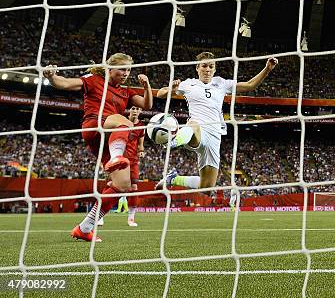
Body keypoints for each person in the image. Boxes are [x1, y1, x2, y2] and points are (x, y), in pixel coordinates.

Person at [43, 53, 153, 242]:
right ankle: (116, 157)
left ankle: (85, 228)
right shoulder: (94, 80)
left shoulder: (125, 91)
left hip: (110, 137)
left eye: (128, 70)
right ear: (110, 68)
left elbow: (147, 105)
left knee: (123, 186)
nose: (126, 73)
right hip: (95, 126)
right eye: (122, 69)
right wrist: (51, 76)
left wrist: (146, 86)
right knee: (126, 123)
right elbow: (65, 84)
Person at [155, 52, 278, 191]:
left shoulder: (221, 83)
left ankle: (173, 178)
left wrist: (267, 69)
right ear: (197, 67)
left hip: (215, 135)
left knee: (206, 187)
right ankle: (174, 140)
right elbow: (160, 93)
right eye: (204, 66)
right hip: (196, 131)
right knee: (194, 124)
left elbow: (250, 85)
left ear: (214, 69)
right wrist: (171, 89)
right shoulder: (188, 84)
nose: (207, 69)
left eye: (211, 66)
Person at [123, 106, 146, 226]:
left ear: (141, 111)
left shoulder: (142, 127)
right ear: (129, 110)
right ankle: (100, 215)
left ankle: (131, 218)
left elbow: (141, 145)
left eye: (138, 109)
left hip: (133, 161)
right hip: (119, 158)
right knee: (113, 186)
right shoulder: (121, 121)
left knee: (134, 188)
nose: (135, 111)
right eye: (133, 108)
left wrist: (141, 151)